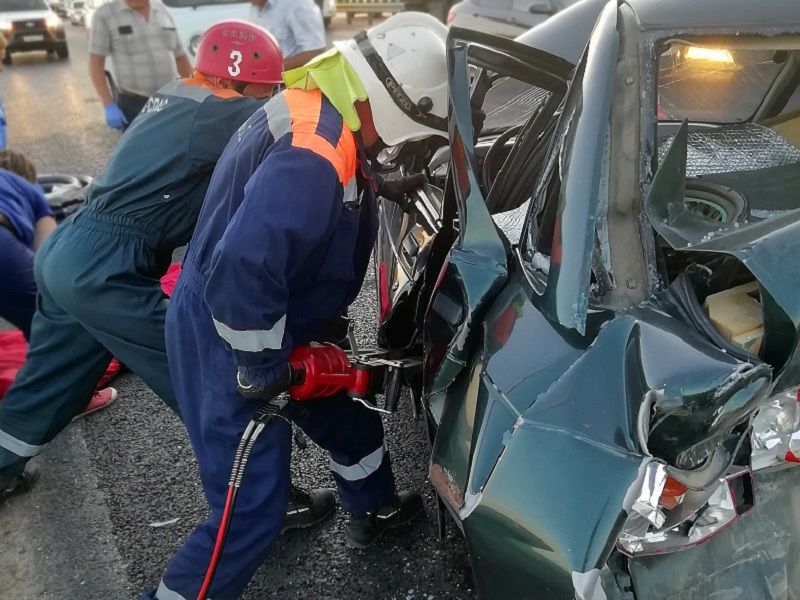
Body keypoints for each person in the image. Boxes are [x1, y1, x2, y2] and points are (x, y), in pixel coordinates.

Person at [148, 12, 449, 600]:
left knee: (343, 412)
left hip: (276, 314)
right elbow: (245, 266)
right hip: (230, 329)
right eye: (402, 132)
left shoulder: (319, 102)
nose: (398, 147)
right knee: (249, 514)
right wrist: (262, 370)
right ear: (386, 106)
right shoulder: (316, 151)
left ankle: (374, 506)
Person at [0, 24, 336, 525]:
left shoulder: (179, 92)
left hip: (69, 253)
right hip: (103, 267)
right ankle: (265, 502)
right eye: (268, 88)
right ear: (241, 83)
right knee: (206, 369)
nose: (273, 96)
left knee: (51, 378)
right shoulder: (220, 110)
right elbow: (296, 124)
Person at [88, 0, 193, 130]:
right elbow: (96, 63)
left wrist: (197, 90)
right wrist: (108, 105)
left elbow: (180, 57)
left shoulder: (161, 11)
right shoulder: (105, 14)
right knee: (142, 149)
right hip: (134, 105)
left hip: (170, 101)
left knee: (173, 147)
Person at [249, 0, 326, 70]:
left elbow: (316, 52)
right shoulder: (255, 6)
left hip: (294, 81)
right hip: (267, 80)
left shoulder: (297, 3)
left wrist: (270, 71)